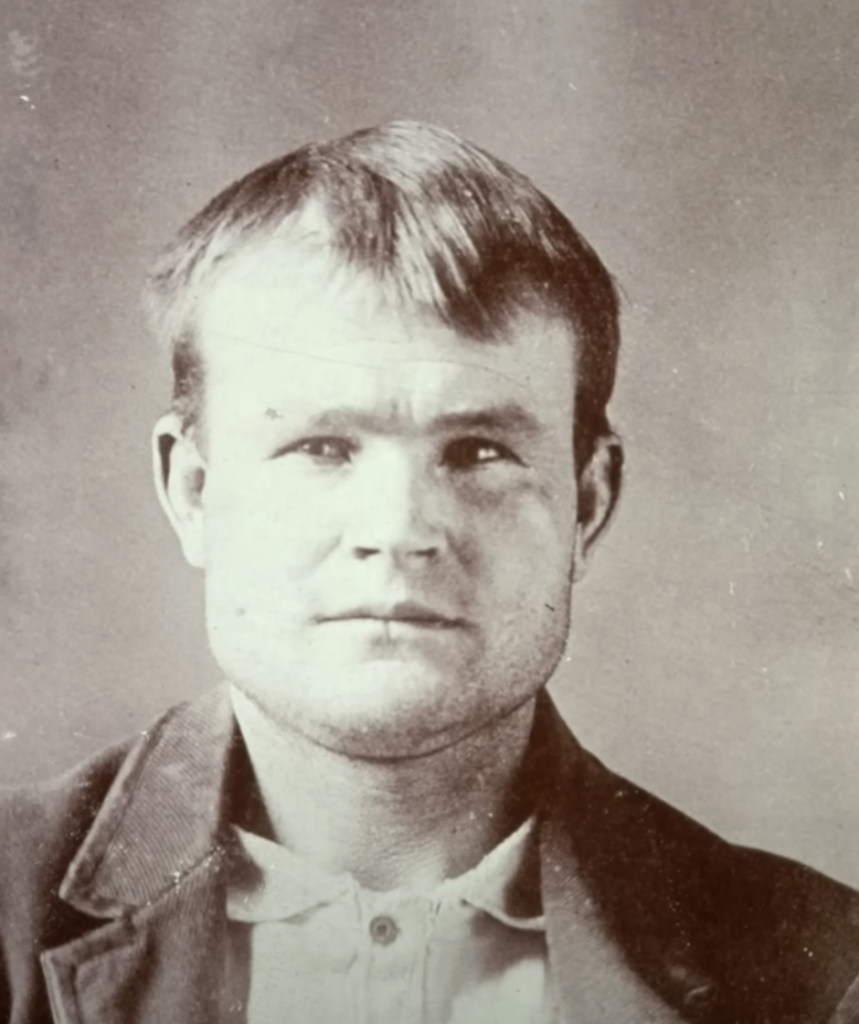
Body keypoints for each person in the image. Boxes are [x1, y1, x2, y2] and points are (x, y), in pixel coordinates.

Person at [1, 120, 858, 1024]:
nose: (400, 529)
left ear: (587, 503)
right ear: (194, 489)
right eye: (322, 446)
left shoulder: (820, 974)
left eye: (479, 451)